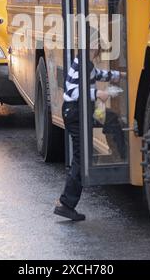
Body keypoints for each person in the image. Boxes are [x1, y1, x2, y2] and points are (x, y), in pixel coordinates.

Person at [54, 28, 125, 222]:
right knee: (81, 157)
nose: (98, 50)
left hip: (82, 111)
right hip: (76, 113)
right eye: (97, 46)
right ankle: (66, 203)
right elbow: (73, 92)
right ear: (90, 46)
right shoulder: (81, 65)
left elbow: (100, 74)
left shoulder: (86, 64)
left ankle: (118, 155)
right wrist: (97, 94)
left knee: (110, 118)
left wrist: (121, 75)